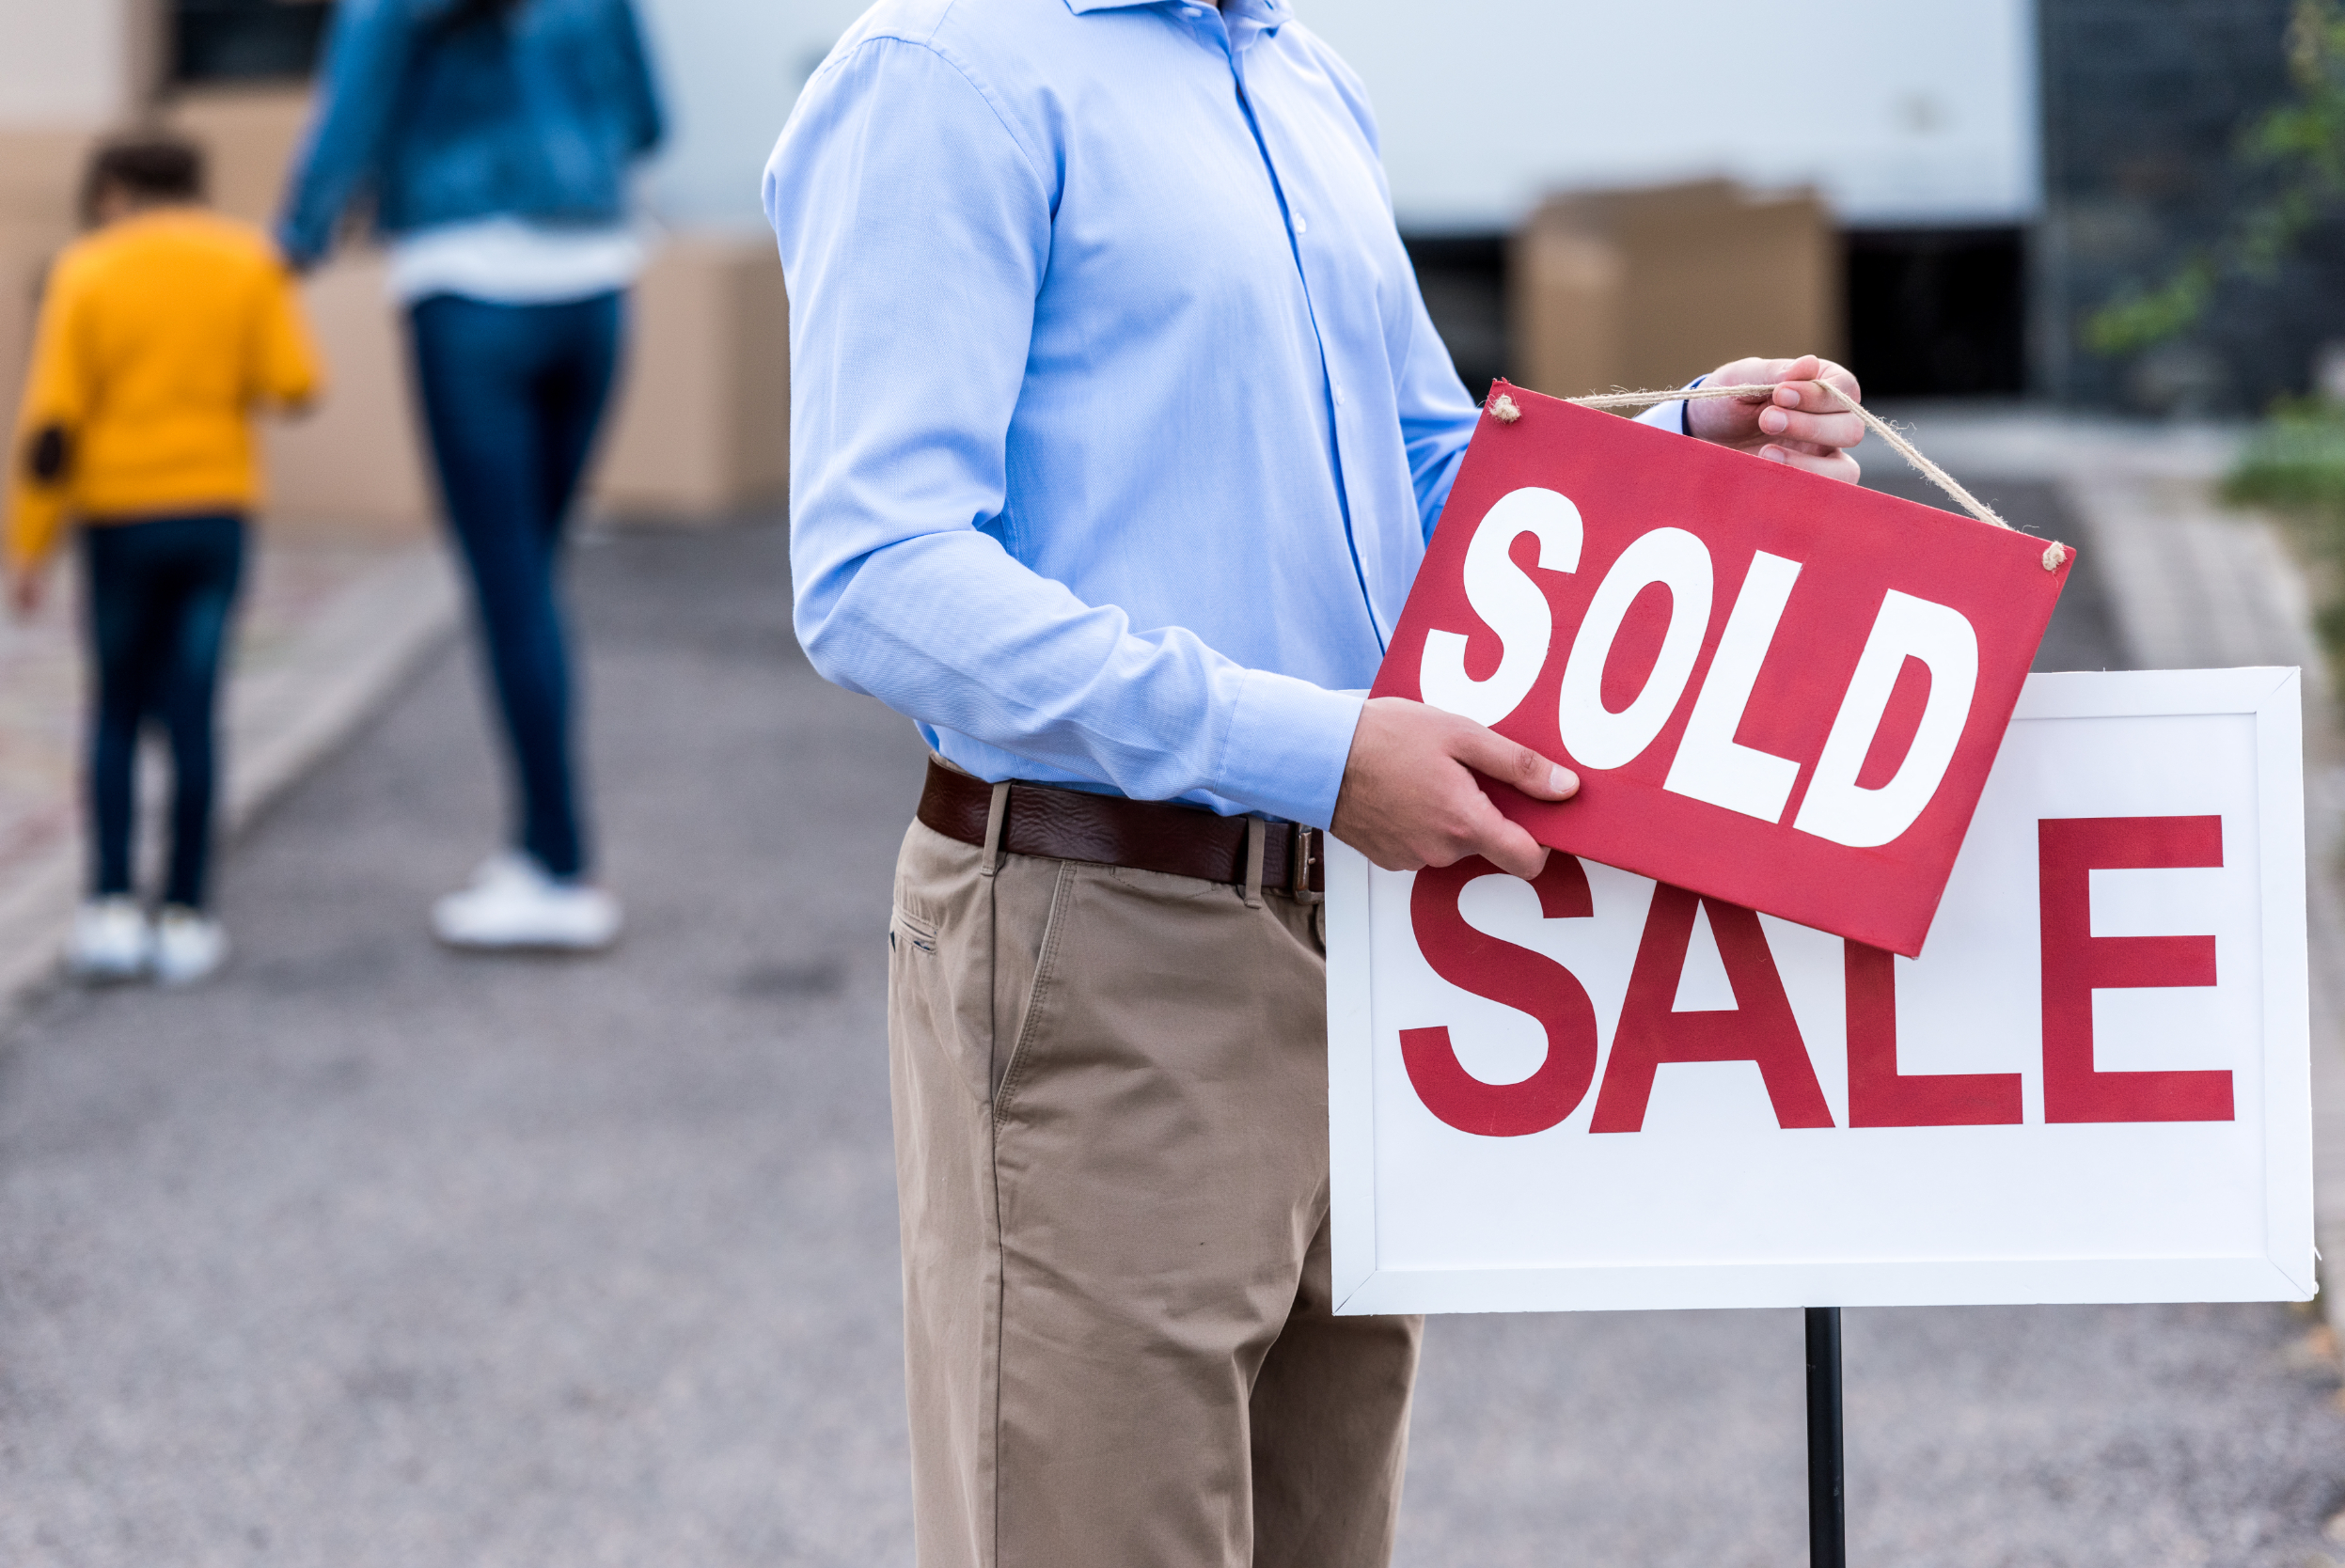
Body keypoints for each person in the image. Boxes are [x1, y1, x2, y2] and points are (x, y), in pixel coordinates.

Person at [773, 2, 1876, 1563]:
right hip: (1105, 938)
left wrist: (1680, 449)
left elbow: (1419, 470)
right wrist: (1318, 749)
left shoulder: (1296, 77)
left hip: (1358, 933)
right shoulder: (945, 74)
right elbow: (881, 572)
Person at [275, 0, 664, 950]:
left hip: (466, 290)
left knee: (510, 587)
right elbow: (650, 120)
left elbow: (346, 128)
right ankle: (539, 843)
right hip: (597, 285)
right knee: (533, 580)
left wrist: (292, 244)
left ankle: (561, 865)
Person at [3, 133, 323, 986]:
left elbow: (53, 420)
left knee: (115, 709)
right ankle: (187, 912)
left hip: (119, 518)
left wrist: (28, 542)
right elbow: (296, 382)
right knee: (195, 711)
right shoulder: (246, 260)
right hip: (215, 511)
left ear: (113, 189)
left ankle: (110, 905)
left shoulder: (88, 268)